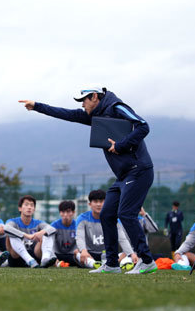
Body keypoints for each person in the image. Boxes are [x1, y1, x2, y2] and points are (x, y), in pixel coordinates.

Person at [20, 86, 156, 274]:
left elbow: (143, 125)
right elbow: (66, 114)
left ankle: (147, 260)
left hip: (139, 170)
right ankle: (112, 264)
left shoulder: (117, 107)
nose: (82, 105)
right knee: (107, 214)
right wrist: (37, 106)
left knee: (126, 214)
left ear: (94, 97)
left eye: (84, 100)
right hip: (123, 176)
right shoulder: (94, 116)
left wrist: (122, 145)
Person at [74, 190, 135, 272]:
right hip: (90, 254)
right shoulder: (82, 218)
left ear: (106, 203)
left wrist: (131, 254)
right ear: (90, 204)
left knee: (127, 254)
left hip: (108, 254)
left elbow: (122, 238)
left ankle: (113, 263)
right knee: (77, 252)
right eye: (95, 201)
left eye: (101, 201)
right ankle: (94, 264)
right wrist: (84, 251)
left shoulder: (114, 218)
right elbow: (79, 237)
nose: (98, 204)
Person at [4, 195, 55, 268]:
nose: (29, 207)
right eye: (26, 204)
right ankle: (29, 260)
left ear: (34, 209)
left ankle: (45, 259)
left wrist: (41, 232)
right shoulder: (13, 221)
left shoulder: (38, 223)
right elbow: (6, 228)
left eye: (32, 205)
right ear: (20, 208)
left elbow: (52, 229)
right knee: (11, 234)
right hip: (16, 258)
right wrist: (26, 235)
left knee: (47, 233)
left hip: (35, 256)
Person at [42, 200, 78, 267]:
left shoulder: (77, 225)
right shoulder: (54, 225)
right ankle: (49, 260)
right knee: (45, 236)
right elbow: (46, 236)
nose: (65, 214)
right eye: (63, 212)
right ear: (59, 213)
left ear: (73, 212)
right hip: (58, 255)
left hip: (72, 255)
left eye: (68, 211)